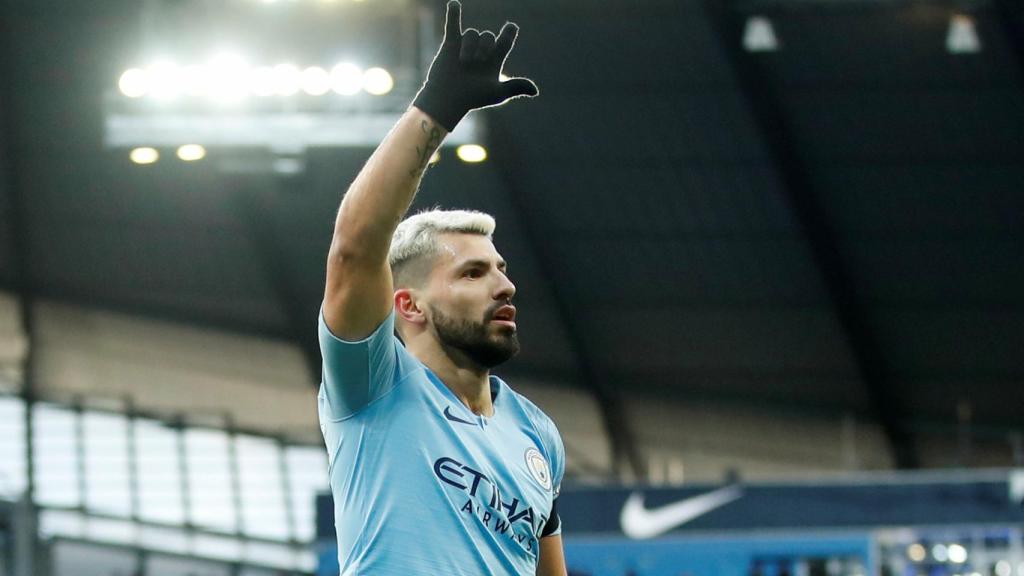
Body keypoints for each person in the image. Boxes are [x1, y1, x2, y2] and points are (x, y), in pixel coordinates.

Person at [316, 1, 567, 574]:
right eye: (473, 273)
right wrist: (437, 109)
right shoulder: (372, 385)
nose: (504, 286)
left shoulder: (537, 434)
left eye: (501, 268)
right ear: (408, 305)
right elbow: (355, 246)